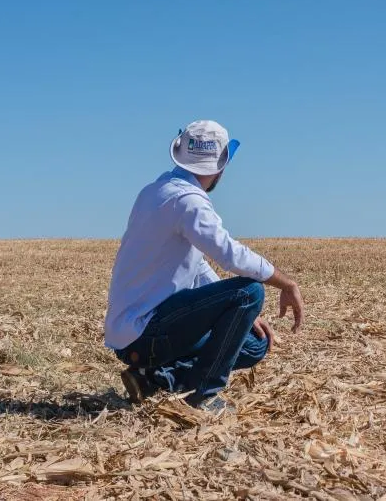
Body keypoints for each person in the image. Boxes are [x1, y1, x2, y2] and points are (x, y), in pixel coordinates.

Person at [104, 120, 304, 412]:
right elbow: (230, 254)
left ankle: (154, 379)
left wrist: (241, 315)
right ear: (221, 165)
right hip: (146, 332)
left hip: (138, 334)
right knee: (250, 291)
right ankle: (205, 396)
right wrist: (286, 283)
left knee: (254, 345)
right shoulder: (188, 201)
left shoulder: (156, 191)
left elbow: (197, 267)